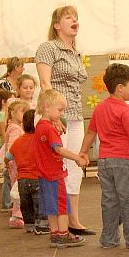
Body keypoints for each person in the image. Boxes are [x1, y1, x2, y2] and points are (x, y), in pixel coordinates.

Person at [79, 64, 129, 249]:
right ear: (120, 87)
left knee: (110, 201)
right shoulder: (126, 110)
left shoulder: (99, 108)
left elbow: (90, 134)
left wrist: (82, 152)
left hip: (105, 163)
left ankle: (109, 239)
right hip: (125, 162)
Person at [36, 6, 93, 236]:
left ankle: (74, 220)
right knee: (56, 166)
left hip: (76, 115)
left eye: (76, 17)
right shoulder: (48, 48)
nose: (74, 20)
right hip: (56, 115)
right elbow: (45, 83)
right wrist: (53, 117)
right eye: (68, 17)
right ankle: (57, 223)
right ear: (57, 25)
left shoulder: (76, 52)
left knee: (75, 164)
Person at [34, 89, 87, 248]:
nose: (62, 113)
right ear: (46, 107)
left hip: (43, 173)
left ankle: (55, 233)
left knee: (50, 206)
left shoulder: (40, 126)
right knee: (62, 205)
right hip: (54, 174)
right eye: (60, 110)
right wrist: (77, 157)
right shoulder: (49, 128)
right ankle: (63, 234)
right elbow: (58, 149)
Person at [6, 109, 49, 234]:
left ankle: (29, 225)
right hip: (37, 177)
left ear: (23, 124)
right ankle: (41, 224)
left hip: (22, 180)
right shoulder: (40, 140)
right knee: (40, 203)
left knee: (26, 205)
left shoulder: (18, 142)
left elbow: (7, 157)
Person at [3, 99, 30, 228]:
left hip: (15, 162)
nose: (24, 115)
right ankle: (17, 215)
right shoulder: (15, 129)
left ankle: (18, 213)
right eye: (22, 111)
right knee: (18, 189)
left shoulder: (15, 127)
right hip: (16, 163)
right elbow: (12, 147)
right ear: (12, 113)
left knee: (18, 188)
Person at [0, 89, 16, 211]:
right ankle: (6, 203)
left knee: (9, 175)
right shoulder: (1, 116)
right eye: (10, 100)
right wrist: (7, 149)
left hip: (5, 146)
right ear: (3, 102)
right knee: (7, 175)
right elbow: (3, 134)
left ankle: (10, 202)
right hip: (3, 146)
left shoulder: (2, 115)